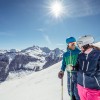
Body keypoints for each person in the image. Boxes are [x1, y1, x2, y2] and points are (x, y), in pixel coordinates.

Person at [75, 35, 100, 100]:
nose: (79, 47)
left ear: (86, 44)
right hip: (80, 86)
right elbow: (77, 67)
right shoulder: (80, 55)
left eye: (80, 44)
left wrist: (92, 74)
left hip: (93, 89)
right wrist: (73, 68)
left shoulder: (98, 55)